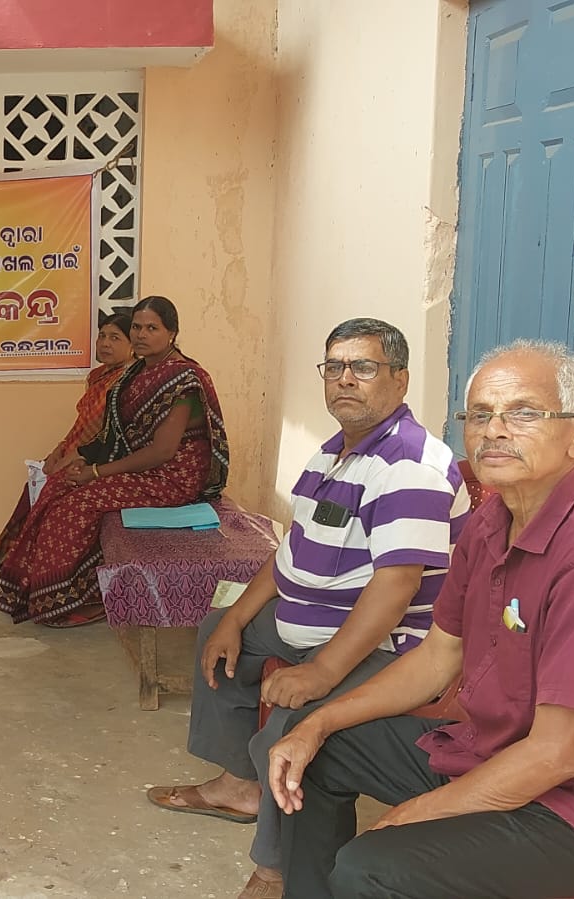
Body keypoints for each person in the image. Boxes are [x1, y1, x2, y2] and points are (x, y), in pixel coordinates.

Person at [268, 341, 574, 899]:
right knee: (317, 751)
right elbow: (437, 658)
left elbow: (558, 754)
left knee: (372, 867)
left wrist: (416, 813)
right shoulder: (493, 521)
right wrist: (316, 724)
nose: (494, 430)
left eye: (523, 413)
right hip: (492, 753)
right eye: (479, 415)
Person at [145, 317, 469, 899]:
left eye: (363, 367)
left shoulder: (409, 465)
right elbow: (292, 551)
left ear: (399, 380)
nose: (345, 379)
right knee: (219, 631)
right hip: (309, 621)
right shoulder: (332, 454)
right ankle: (240, 787)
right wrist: (237, 618)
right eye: (334, 367)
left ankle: (275, 869)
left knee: (293, 729)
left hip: (383, 642)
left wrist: (321, 671)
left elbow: (396, 587)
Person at [0, 296, 230, 627]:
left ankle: (67, 601)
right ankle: (51, 589)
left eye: (152, 328)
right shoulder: (137, 371)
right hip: (138, 467)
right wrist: (83, 459)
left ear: (172, 333)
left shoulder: (184, 380)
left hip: (171, 478)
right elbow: (114, 432)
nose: (141, 335)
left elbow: (161, 452)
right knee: (58, 486)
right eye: (137, 327)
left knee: (76, 505)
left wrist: (96, 473)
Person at [0, 310, 135, 568]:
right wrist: (59, 450)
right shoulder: (97, 376)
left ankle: (43, 568)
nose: (105, 343)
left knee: (54, 491)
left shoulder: (130, 381)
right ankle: (20, 564)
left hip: (102, 459)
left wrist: (74, 458)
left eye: (115, 338)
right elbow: (83, 423)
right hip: (76, 450)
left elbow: (108, 433)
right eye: (102, 336)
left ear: (132, 345)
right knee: (35, 486)